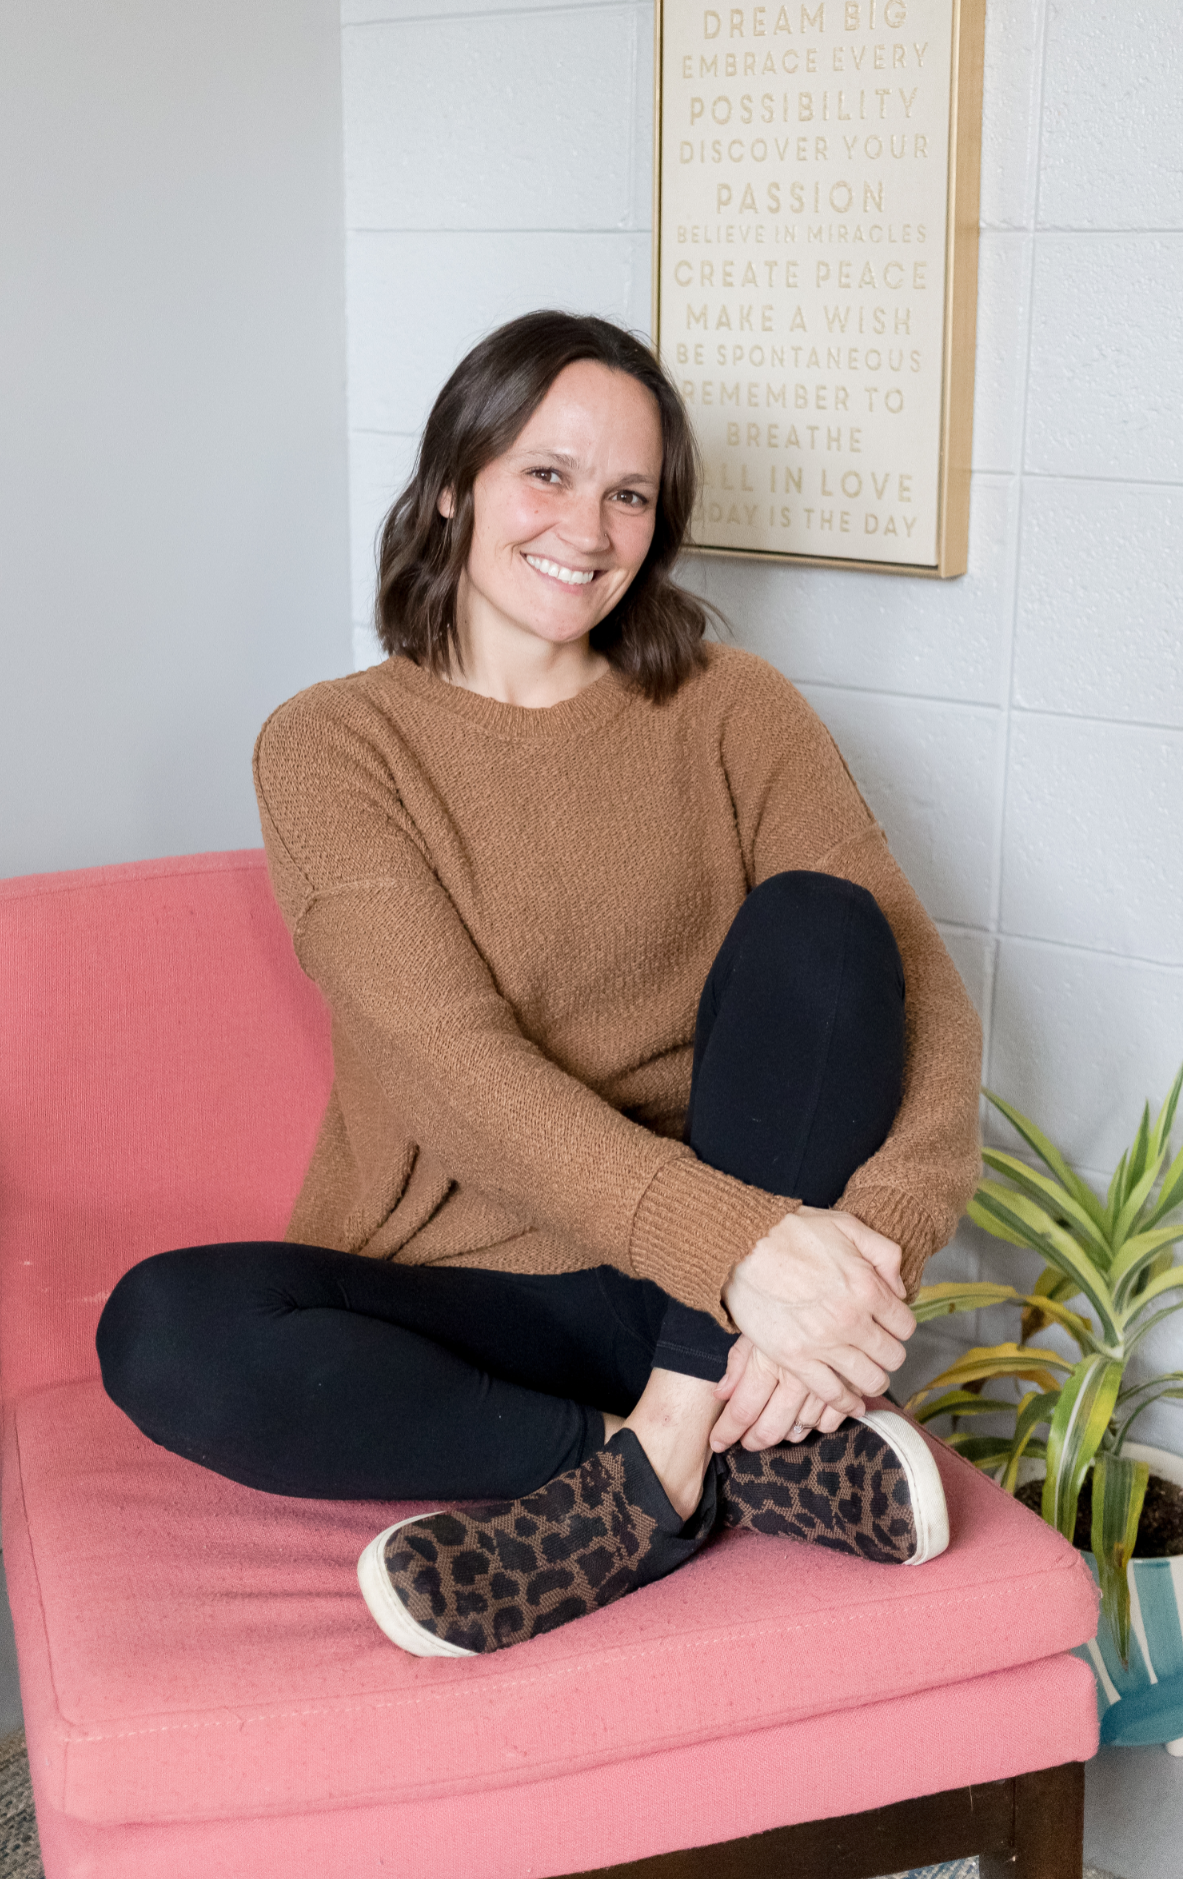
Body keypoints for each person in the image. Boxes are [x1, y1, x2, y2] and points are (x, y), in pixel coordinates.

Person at [97, 311, 982, 1659]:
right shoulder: (336, 746)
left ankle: (664, 1463)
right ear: (456, 482)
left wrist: (865, 1255)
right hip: (480, 1308)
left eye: (631, 493)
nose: (591, 525)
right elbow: (450, 1073)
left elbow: (918, 984)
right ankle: (705, 1459)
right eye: (548, 473)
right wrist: (754, 1257)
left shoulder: (734, 705)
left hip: (707, 1301)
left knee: (826, 927)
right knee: (162, 1329)